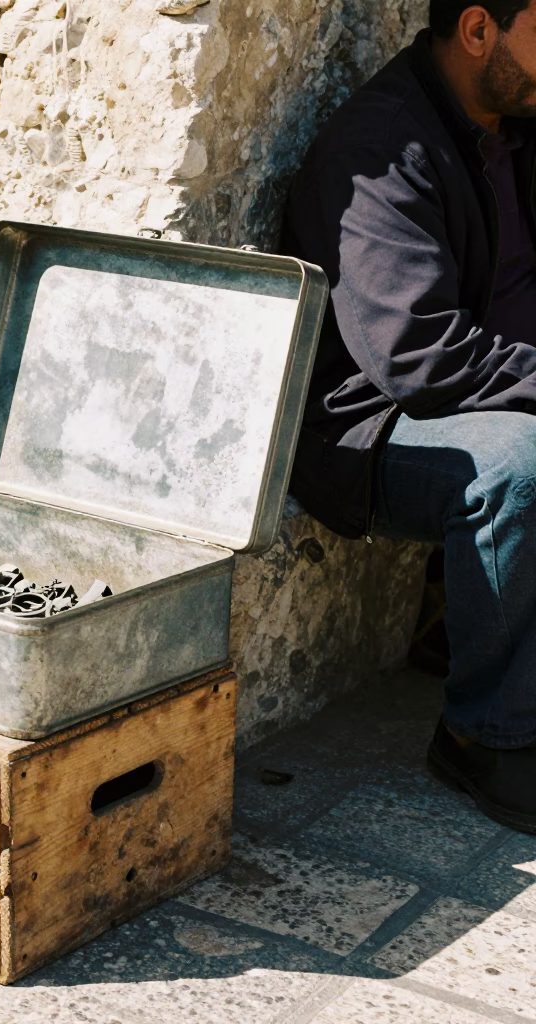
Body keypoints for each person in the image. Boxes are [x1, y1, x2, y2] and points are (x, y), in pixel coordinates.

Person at [282, 0, 536, 832]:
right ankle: (483, 735)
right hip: (374, 425)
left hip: (486, 388)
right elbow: (418, 358)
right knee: (521, 466)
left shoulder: (513, 116)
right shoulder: (383, 147)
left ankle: (474, 636)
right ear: (477, 31)